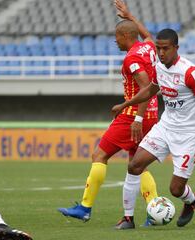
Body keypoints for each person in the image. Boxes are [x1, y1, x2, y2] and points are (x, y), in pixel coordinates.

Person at [112, 0, 195, 230]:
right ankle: (128, 219)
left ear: (176, 48)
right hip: (165, 126)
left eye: (165, 48)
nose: (160, 52)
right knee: (134, 165)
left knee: (175, 189)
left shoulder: (191, 73)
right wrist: (125, 104)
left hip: (188, 134)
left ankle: (191, 200)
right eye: (158, 48)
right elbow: (150, 90)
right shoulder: (159, 65)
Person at [58, 9, 160, 225]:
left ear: (125, 36)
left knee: (99, 155)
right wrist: (130, 17)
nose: (115, 41)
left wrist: (136, 118)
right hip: (152, 114)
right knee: (137, 164)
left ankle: (85, 207)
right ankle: (153, 210)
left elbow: (147, 87)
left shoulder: (132, 58)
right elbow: (148, 35)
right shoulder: (148, 47)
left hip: (134, 116)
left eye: (117, 37)